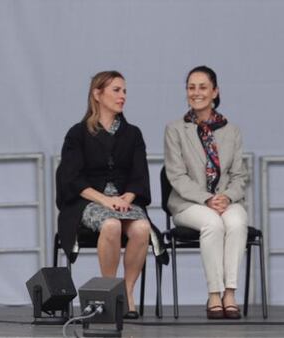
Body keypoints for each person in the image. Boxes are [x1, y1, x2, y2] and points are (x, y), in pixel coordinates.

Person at [55, 70, 158, 319]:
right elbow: (73, 179)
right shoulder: (77, 134)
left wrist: (127, 198)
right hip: (89, 200)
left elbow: (139, 176)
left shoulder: (133, 134)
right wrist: (106, 200)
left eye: (124, 91)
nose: (122, 96)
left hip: (124, 200)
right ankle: (109, 292)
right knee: (110, 225)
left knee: (142, 228)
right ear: (97, 94)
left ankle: (127, 293)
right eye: (116, 90)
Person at [163, 65, 249, 320]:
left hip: (225, 199)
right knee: (213, 223)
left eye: (202, 87)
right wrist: (207, 199)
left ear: (215, 92)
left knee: (237, 220)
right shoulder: (175, 129)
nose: (196, 92)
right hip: (189, 203)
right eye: (191, 87)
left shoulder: (232, 131)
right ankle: (214, 293)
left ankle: (230, 293)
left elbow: (239, 176)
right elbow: (176, 176)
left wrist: (227, 197)